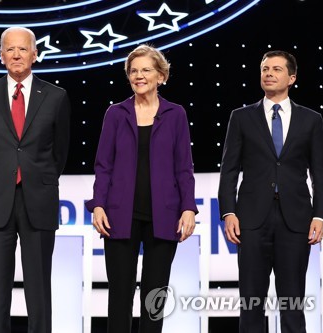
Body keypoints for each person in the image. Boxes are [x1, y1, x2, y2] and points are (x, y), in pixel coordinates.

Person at [85, 44, 198, 333]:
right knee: (119, 295)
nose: (139, 75)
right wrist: (98, 204)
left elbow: (184, 167)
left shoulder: (176, 114)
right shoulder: (115, 113)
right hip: (120, 216)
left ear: (161, 76)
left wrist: (188, 207)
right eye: (133, 71)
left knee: (154, 297)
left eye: (146, 70)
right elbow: (103, 165)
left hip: (165, 216)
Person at [0, 26, 71, 333]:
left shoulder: (56, 96)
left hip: (38, 201)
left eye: (23, 49)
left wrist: (38, 179)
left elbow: (60, 151)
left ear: (35, 54)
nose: (16, 54)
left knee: (39, 289)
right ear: (0, 56)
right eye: (9, 49)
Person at [218, 50, 323, 333]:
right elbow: (229, 170)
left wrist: (320, 216)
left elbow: (320, 172)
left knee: (292, 301)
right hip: (251, 220)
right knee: (251, 301)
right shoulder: (241, 117)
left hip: (296, 219)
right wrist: (228, 211)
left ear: (292, 78)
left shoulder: (311, 119)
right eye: (265, 68)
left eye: (276, 69)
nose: (268, 73)